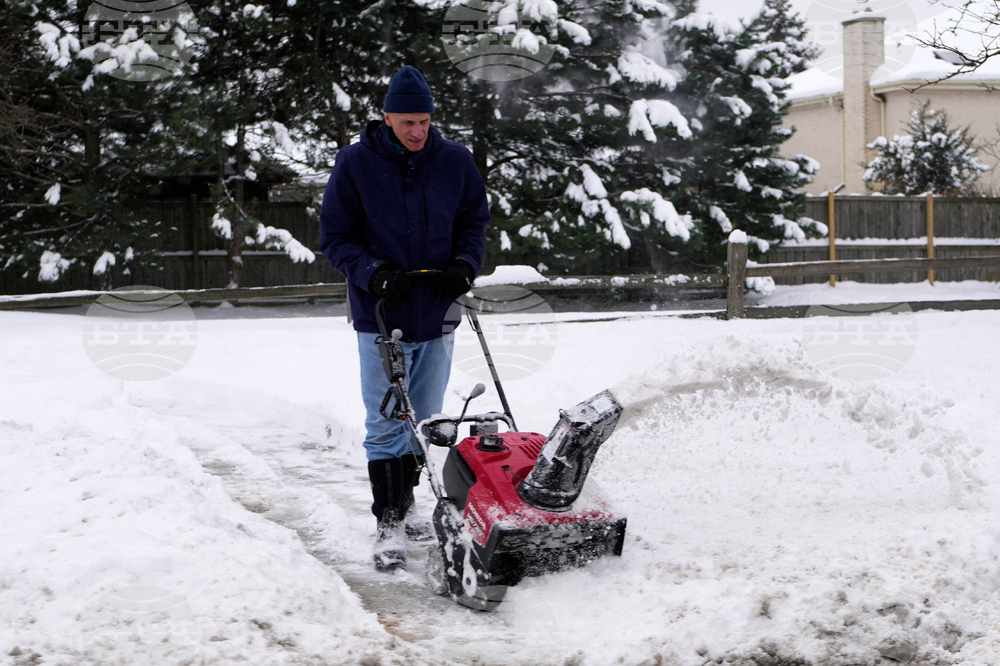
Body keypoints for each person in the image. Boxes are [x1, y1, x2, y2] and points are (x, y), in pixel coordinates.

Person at [319, 65, 490, 570]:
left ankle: (408, 502)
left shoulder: (455, 160)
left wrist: (465, 264)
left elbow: (473, 223)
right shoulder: (355, 163)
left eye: (424, 121)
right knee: (385, 420)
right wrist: (372, 273)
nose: (417, 131)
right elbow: (336, 237)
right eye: (408, 121)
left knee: (424, 417)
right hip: (380, 311)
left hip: (437, 308)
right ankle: (388, 521)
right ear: (387, 117)